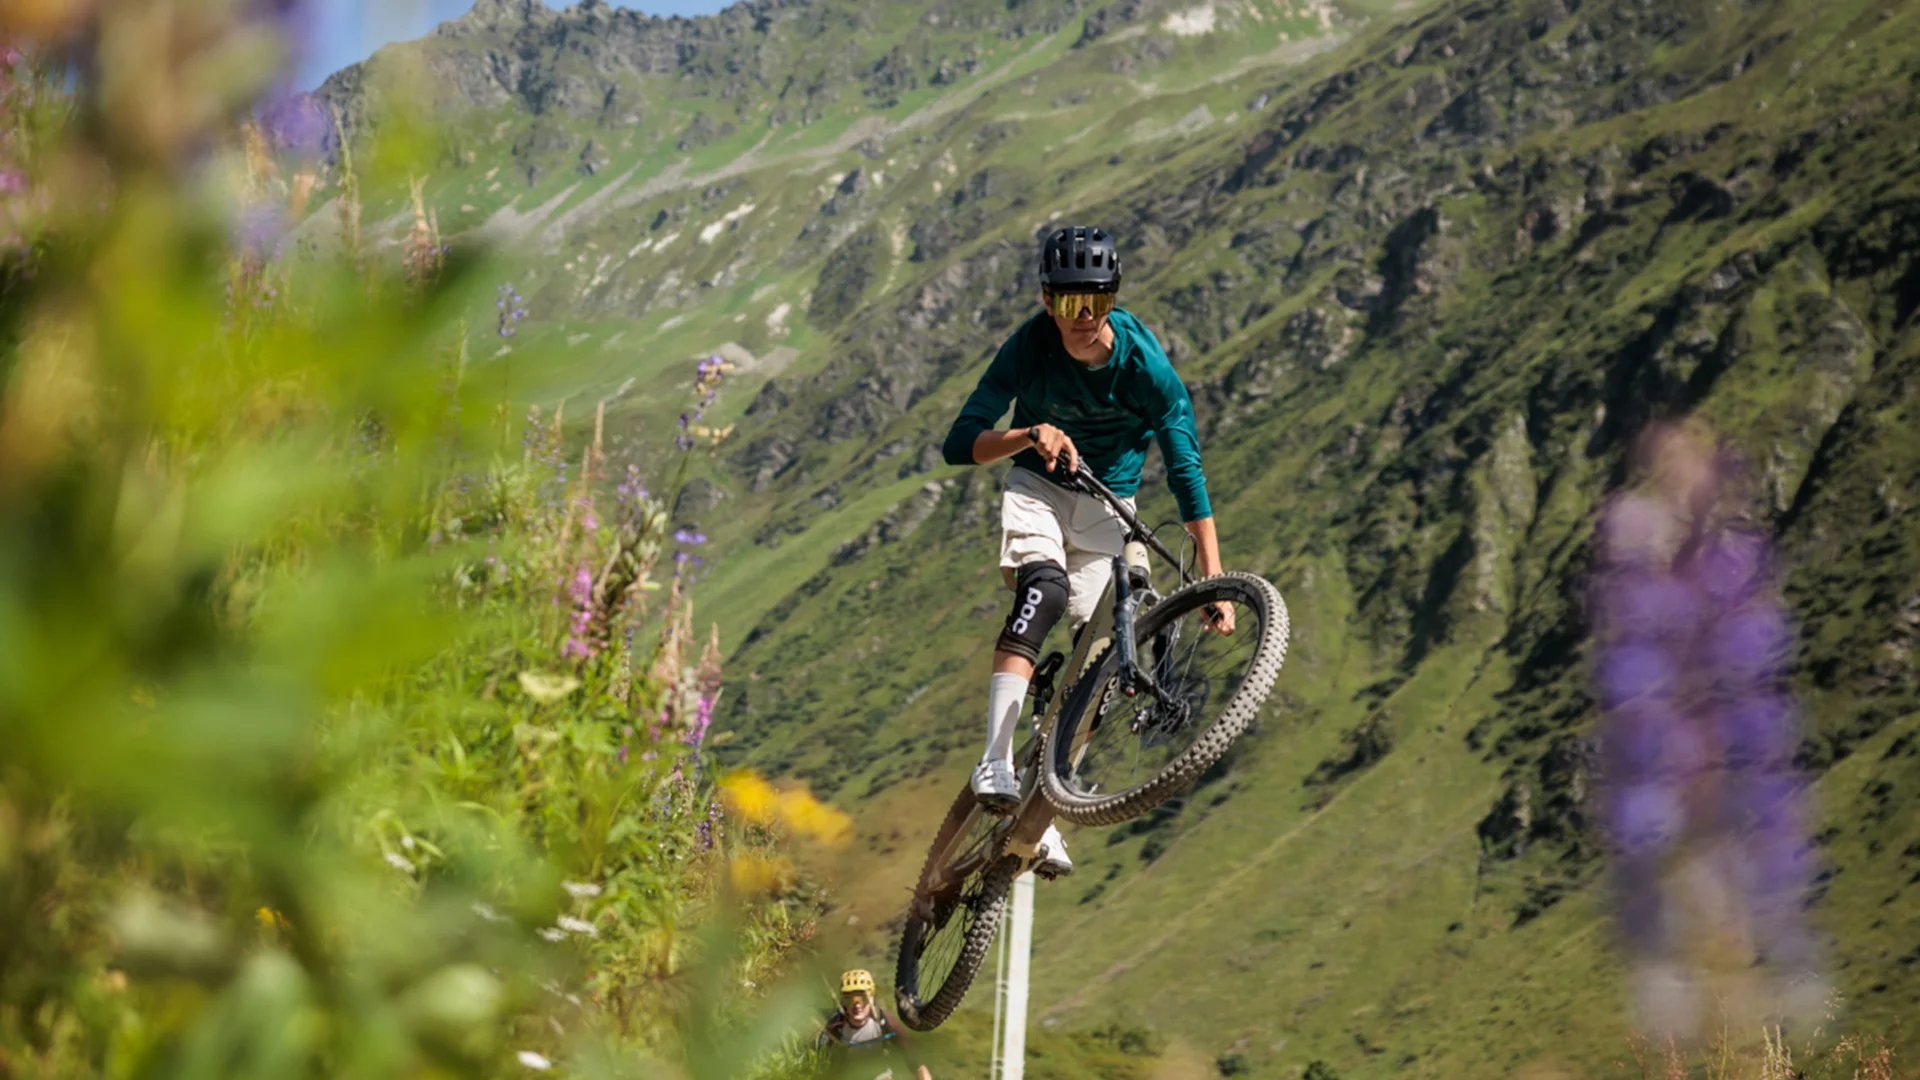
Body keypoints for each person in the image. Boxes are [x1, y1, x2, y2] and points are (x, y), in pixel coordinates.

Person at [940, 225, 1233, 878]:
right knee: (1041, 590)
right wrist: (1026, 434)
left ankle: (1045, 807)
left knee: (1103, 659)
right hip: (1038, 488)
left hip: (1109, 506)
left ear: (1113, 300)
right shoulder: (1030, 348)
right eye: (1067, 303)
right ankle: (994, 757)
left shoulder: (1144, 366)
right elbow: (961, 443)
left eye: (1095, 303)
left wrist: (1212, 575)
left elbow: (1185, 465)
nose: (1081, 318)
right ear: (1047, 301)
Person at [816, 969, 932, 1080]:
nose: (857, 1005)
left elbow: (915, 1063)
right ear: (843, 1002)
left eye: (863, 999)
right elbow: (819, 1065)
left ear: (871, 999)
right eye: (850, 999)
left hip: (878, 1073)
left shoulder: (885, 1021)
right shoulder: (835, 1027)